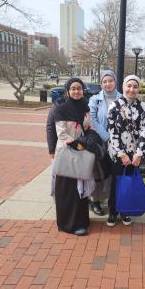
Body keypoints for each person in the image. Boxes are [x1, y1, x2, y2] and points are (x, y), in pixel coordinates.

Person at [106, 74, 145, 227]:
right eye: (129, 86)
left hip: (134, 154)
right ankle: (113, 211)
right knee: (116, 182)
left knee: (128, 182)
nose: (132, 89)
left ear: (138, 89)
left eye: (135, 86)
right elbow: (112, 132)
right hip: (117, 154)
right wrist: (121, 154)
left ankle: (125, 211)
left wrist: (138, 154)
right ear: (123, 87)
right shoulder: (114, 106)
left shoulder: (143, 107)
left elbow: (144, 131)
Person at [53, 78, 93, 236]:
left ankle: (81, 221)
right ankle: (68, 224)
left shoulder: (85, 107)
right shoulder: (61, 108)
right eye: (73, 89)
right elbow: (61, 134)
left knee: (80, 188)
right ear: (68, 91)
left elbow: (88, 127)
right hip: (67, 153)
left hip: (81, 151)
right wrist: (77, 145)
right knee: (67, 189)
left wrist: (88, 140)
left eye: (79, 88)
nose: (77, 91)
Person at [88, 70, 122, 216]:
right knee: (98, 172)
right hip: (100, 142)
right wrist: (106, 136)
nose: (108, 84)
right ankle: (95, 201)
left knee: (112, 173)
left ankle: (111, 200)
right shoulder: (95, 99)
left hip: (118, 144)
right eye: (105, 81)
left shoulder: (123, 98)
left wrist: (115, 139)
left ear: (115, 82)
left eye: (110, 81)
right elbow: (92, 119)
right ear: (101, 84)